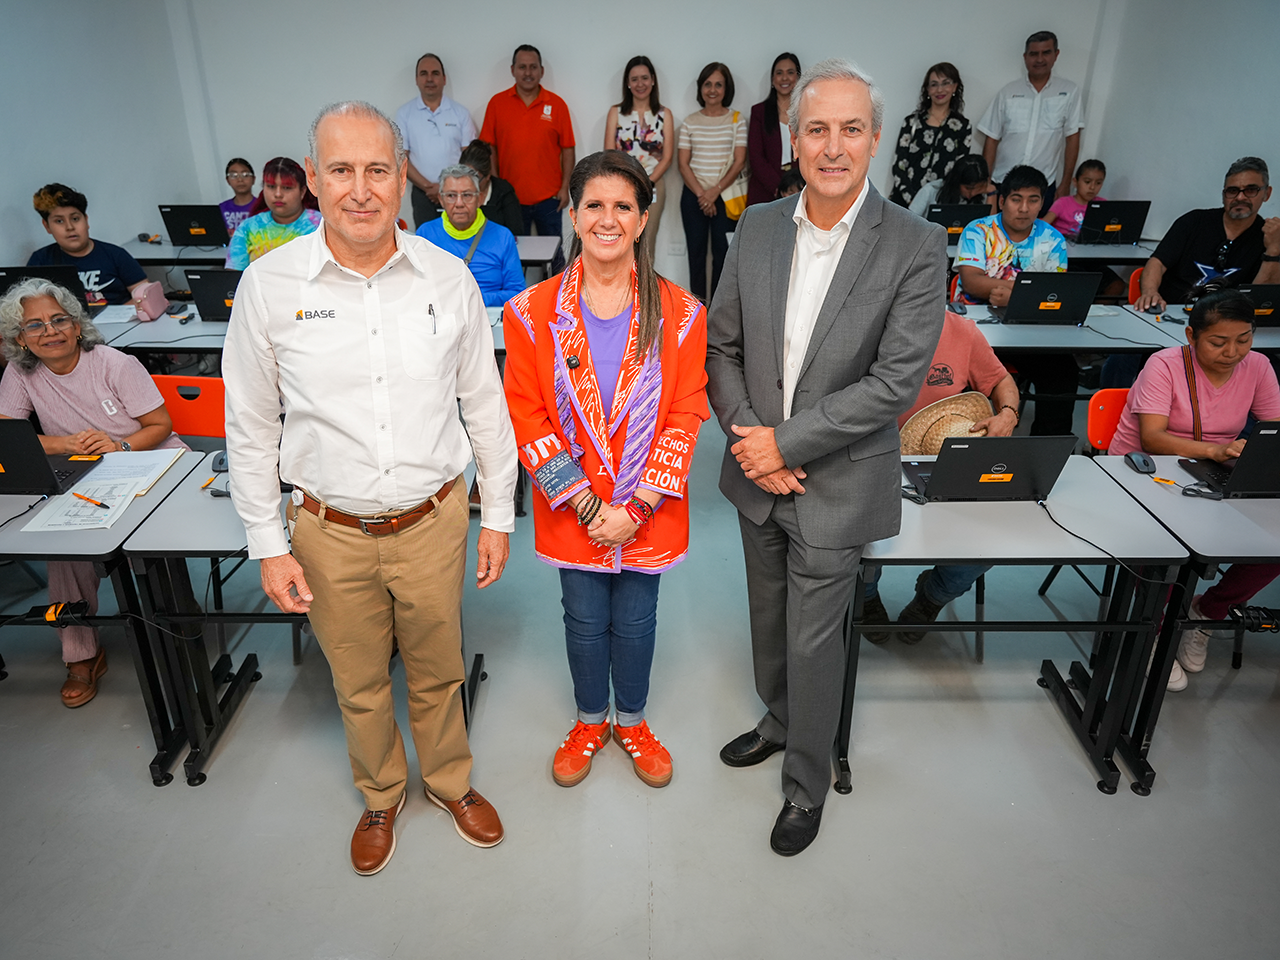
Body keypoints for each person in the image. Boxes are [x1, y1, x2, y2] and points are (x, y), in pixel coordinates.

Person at [223, 101, 517, 875]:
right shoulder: (268, 286)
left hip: (433, 522)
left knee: (438, 670)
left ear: (401, 177)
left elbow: (485, 405)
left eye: (378, 170)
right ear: (313, 178)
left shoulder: (447, 277)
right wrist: (267, 543)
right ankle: (382, 794)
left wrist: (498, 515)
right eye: (342, 170)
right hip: (328, 532)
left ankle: (450, 783)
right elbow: (248, 427)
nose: (361, 189)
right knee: (357, 681)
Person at [705, 58, 946, 856]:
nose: (833, 146)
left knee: (815, 640)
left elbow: (894, 384)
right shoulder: (758, 226)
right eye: (817, 129)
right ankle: (779, 720)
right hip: (757, 473)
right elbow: (722, 348)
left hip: (836, 484)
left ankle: (806, 783)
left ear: (875, 138)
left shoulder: (915, 244)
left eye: (850, 129)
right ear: (794, 139)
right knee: (768, 621)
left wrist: (784, 443)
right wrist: (754, 442)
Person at [503, 150, 708, 790]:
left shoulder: (682, 314)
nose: (608, 218)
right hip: (576, 510)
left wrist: (636, 507)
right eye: (594, 204)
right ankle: (591, 721)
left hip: (649, 505)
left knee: (639, 619)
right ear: (573, 215)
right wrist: (591, 507)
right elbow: (526, 414)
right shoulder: (530, 312)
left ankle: (634, 723)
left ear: (644, 219)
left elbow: (686, 410)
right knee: (585, 620)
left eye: (623, 206)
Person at [0, 279, 187, 706]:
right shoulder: (21, 373)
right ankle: (81, 654)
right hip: (84, 471)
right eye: (35, 325)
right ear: (20, 338)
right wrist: (64, 444)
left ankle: (178, 624)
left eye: (59, 320)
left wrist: (119, 446)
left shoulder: (115, 364)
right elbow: (8, 437)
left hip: (147, 460)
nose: (50, 331)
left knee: (155, 543)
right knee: (63, 546)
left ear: (77, 325)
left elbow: (160, 426)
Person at [1107, 290, 1280, 692]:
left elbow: (1274, 429)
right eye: (1218, 342)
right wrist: (1215, 450)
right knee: (1163, 548)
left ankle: (1208, 611)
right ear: (1191, 335)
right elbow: (1152, 438)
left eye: (1244, 339)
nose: (1232, 352)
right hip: (1143, 471)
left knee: (1273, 544)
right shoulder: (1164, 364)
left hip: (1214, 472)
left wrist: (1248, 455)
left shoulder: (1258, 366)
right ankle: (1154, 628)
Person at [860, 311, 1020, 642]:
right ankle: (866, 596)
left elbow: (1001, 381)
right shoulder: (863, 324)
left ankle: (932, 597)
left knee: (989, 540)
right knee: (862, 536)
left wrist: (1008, 414)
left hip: (949, 456)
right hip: (871, 453)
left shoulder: (962, 331)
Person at [954, 164, 1077, 435]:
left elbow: (1053, 292)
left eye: (1033, 200)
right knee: (958, 376)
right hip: (977, 333)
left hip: (1031, 331)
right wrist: (1024, 292)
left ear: (1042, 203)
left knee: (1063, 371)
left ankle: (1046, 445)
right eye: (1016, 199)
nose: (1024, 208)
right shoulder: (978, 231)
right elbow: (972, 281)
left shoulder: (1052, 238)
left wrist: (1013, 295)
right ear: (1002, 201)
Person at [1134, 157, 1280, 312]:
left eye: (1251, 190)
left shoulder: (1269, 236)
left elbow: (1261, 299)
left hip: (1228, 317)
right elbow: (1158, 262)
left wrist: (1274, 250)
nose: (1240, 197)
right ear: (1223, 195)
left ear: (1266, 194)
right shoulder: (1194, 221)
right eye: (1232, 191)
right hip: (1172, 310)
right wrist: (1150, 293)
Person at [480, 44, 576, 248]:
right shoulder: (497, 104)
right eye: (522, 67)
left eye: (533, 67)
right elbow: (489, 148)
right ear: (512, 70)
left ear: (542, 71)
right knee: (512, 255)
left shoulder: (557, 105)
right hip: (509, 198)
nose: (528, 73)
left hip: (550, 198)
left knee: (555, 256)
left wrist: (565, 187)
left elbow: (568, 148)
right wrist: (496, 186)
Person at [978, 31, 1083, 210]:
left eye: (1046, 53)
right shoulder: (1008, 92)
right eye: (1034, 54)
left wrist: (1065, 183)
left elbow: (1072, 139)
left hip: (1044, 184)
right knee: (996, 227)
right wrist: (985, 181)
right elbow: (992, 138)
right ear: (1025, 57)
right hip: (1004, 181)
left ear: (1056, 54)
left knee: (1037, 227)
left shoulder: (1069, 92)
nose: (1039, 59)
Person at [677, 62, 747, 302]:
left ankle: (717, 314)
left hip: (725, 197)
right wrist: (702, 195)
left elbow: (739, 161)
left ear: (727, 88)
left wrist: (714, 192)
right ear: (701, 88)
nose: (713, 90)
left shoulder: (737, 120)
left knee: (723, 257)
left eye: (719, 84)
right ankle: (696, 311)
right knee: (695, 256)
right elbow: (683, 164)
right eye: (708, 84)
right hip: (694, 197)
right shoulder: (690, 121)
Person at [417, 164, 526, 307]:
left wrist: (475, 299)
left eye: (467, 195)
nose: (459, 203)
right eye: (451, 196)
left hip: (488, 315)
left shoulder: (503, 236)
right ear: (441, 200)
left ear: (480, 199)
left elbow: (517, 293)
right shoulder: (425, 234)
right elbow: (417, 289)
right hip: (441, 314)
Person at [27, 183, 147, 307]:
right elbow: (30, 305)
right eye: (59, 221)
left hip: (119, 317)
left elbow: (146, 296)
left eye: (75, 219)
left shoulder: (115, 255)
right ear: (47, 226)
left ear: (86, 220)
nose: (69, 227)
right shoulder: (41, 260)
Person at [395, 53, 478, 229]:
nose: (429, 79)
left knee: (459, 240)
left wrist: (447, 188)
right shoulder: (405, 114)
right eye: (424, 73)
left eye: (435, 73)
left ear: (444, 79)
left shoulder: (460, 113)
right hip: (423, 194)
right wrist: (428, 187)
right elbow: (401, 158)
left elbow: (470, 156)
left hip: (457, 193)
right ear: (417, 79)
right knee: (426, 241)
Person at [604, 55, 675, 259]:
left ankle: (644, 281)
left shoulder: (664, 114)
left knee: (647, 242)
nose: (640, 84)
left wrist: (647, 183)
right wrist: (628, 182)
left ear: (652, 80)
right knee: (621, 240)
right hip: (620, 186)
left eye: (644, 78)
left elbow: (667, 157)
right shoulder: (616, 112)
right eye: (634, 79)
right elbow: (609, 153)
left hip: (653, 186)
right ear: (627, 83)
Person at [888, 61, 973, 209]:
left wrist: (934, 201)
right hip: (904, 203)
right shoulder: (912, 123)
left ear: (955, 87)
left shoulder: (963, 127)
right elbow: (898, 166)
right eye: (934, 84)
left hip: (938, 204)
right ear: (927, 89)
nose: (939, 89)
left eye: (945, 83)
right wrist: (914, 201)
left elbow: (957, 172)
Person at [225, 157, 322, 270]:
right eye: (271, 187)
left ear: (302, 191)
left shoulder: (322, 225)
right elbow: (233, 275)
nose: (278, 194)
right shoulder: (248, 228)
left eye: (287, 188)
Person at [747, 53, 801, 206]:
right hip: (765, 189)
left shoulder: (806, 112)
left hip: (799, 188)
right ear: (772, 79)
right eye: (779, 73)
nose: (784, 78)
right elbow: (756, 156)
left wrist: (794, 187)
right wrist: (780, 187)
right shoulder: (759, 112)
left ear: (798, 78)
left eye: (790, 72)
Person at [459, 138, 524, 237]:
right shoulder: (455, 191)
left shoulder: (504, 192)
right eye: (465, 178)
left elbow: (515, 232)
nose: (470, 185)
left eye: (476, 180)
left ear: (488, 176)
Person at [907, 153, 996, 217]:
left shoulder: (983, 195)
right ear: (957, 181)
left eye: (978, 188)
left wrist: (992, 193)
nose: (972, 193)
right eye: (968, 188)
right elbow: (908, 222)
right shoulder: (930, 190)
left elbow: (990, 228)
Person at [1043, 158, 1106, 241]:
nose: (1092, 187)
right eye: (1087, 182)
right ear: (1075, 182)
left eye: (1098, 183)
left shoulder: (1103, 205)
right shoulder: (1062, 203)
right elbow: (1043, 225)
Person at [219, 158, 257, 236]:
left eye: (245, 175)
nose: (240, 179)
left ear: (253, 179)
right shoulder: (221, 209)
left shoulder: (264, 207)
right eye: (234, 175)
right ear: (228, 180)